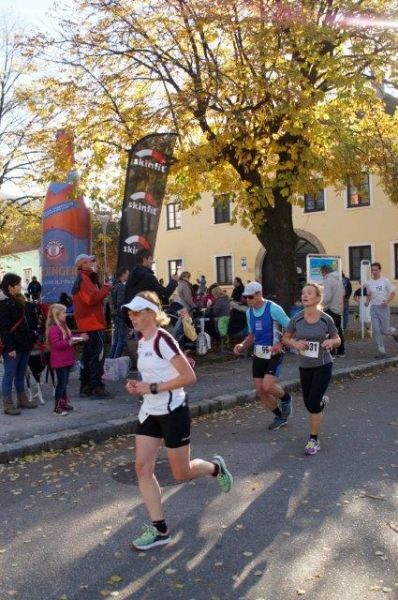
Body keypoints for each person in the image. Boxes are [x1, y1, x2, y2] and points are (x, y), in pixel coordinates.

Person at [124, 291, 233, 550]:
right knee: (142, 468)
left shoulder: (164, 340)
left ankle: (215, 468)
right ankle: (160, 530)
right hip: (150, 411)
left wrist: (152, 388)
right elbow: (154, 378)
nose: (132, 317)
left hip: (173, 410)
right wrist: (139, 387)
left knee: (180, 473)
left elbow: (189, 377)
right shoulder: (141, 341)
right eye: (130, 312)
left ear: (151, 313)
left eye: (137, 312)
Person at [282, 283, 341, 455]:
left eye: (309, 293)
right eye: (303, 293)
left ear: (317, 298)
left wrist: (331, 342)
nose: (304, 295)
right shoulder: (297, 319)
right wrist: (295, 343)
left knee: (313, 404)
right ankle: (322, 402)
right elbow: (286, 338)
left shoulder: (325, 319)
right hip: (305, 366)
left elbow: (337, 338)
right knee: (310, 404)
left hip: (323, 365)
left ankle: (313, 440)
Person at [233, 281, 293, 430]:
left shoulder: (273, 308)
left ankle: (286, 399)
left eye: (251, 297)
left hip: (274, 352)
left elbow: (291, 327)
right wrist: (242, 346)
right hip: (259, 352)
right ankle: (280, 417)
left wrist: (281, 344)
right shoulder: (249, 312)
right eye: (246, 297)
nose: (248, 300)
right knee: (260, 390)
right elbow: (252, 335)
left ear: (260, 294)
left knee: (268, 386)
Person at [72, 254, 113, 398]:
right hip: (93, 324)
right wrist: (107, 288)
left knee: (88, 357)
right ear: (83, 264)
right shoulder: (84, 279)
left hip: (87, 324)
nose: (94, 263)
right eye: (91, 261)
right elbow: (92, 299)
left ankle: (86, 386)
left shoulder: (83, 278)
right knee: (97, 357)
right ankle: (96, 388)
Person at [0, 273, 38, 415]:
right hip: (12, 346)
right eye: (18, 284)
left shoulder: (19, 300)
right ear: (10, 287)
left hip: (24, 343)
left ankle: (22, 400)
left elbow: (25, 323)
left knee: (21, 374)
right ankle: (8, 404)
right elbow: (3, 328)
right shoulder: (3, 303)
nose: (21, 286)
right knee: (9, 375)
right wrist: (9, 348)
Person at [46, 303, 88, 415]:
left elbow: (70, 337)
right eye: (63, 313)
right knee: (61, 384)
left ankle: (63, 404)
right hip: (60, 361)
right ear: (57, 315)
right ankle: (57, 407)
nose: (66, 314)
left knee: (64, 383)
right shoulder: (54, 328)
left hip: (66, 359)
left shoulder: (63, 326)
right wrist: (70, 342)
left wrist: (79, 337)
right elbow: (56, 344)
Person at [365, 262, 398, 358]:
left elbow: (392, 293)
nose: (374, 272)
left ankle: (395, 333)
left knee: (385, 330)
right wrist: (367, 302)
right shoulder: (369, 282)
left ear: (379, 270)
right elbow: (369, 294)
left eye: (375, 270)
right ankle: (381, 351)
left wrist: (387, 301)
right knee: (375, 330)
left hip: (383, 308)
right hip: (374, 308)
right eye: (372, 270)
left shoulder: (385, 281)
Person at [320, 265, 345, 357]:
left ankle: (331, 353)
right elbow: (343, 293)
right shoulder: (338, 280)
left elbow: (327, 297)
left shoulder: (327, 280)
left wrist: (322, 305)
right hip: (338, 308)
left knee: (330, 331)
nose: (322, 275)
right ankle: (341, 351)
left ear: (324, 272)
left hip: (330, 309)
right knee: (338, 330)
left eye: (322, 272)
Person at [109, 267, 129, 358]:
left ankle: (110, 361)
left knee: (116, 340)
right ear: (123, 274)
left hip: (114, 315)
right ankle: (115, 361)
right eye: (127, 273)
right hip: (120, 316)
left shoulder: (114, 285)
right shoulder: (121, 286)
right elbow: (120, 303)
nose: (128, 275)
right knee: (121, 340)